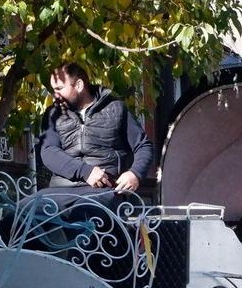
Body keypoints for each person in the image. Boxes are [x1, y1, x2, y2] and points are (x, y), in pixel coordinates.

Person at [37, 63, 154, 194]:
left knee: (86, 214)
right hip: (60, 190)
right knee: (20, 212)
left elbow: (143, 145)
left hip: (103, 190)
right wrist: (85, 172)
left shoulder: (116, 108)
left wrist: (135, 174)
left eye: (59, 88)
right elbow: (48, 151)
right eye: (53, 90)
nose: (55, 95)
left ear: (79, 85)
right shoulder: (53, 114)